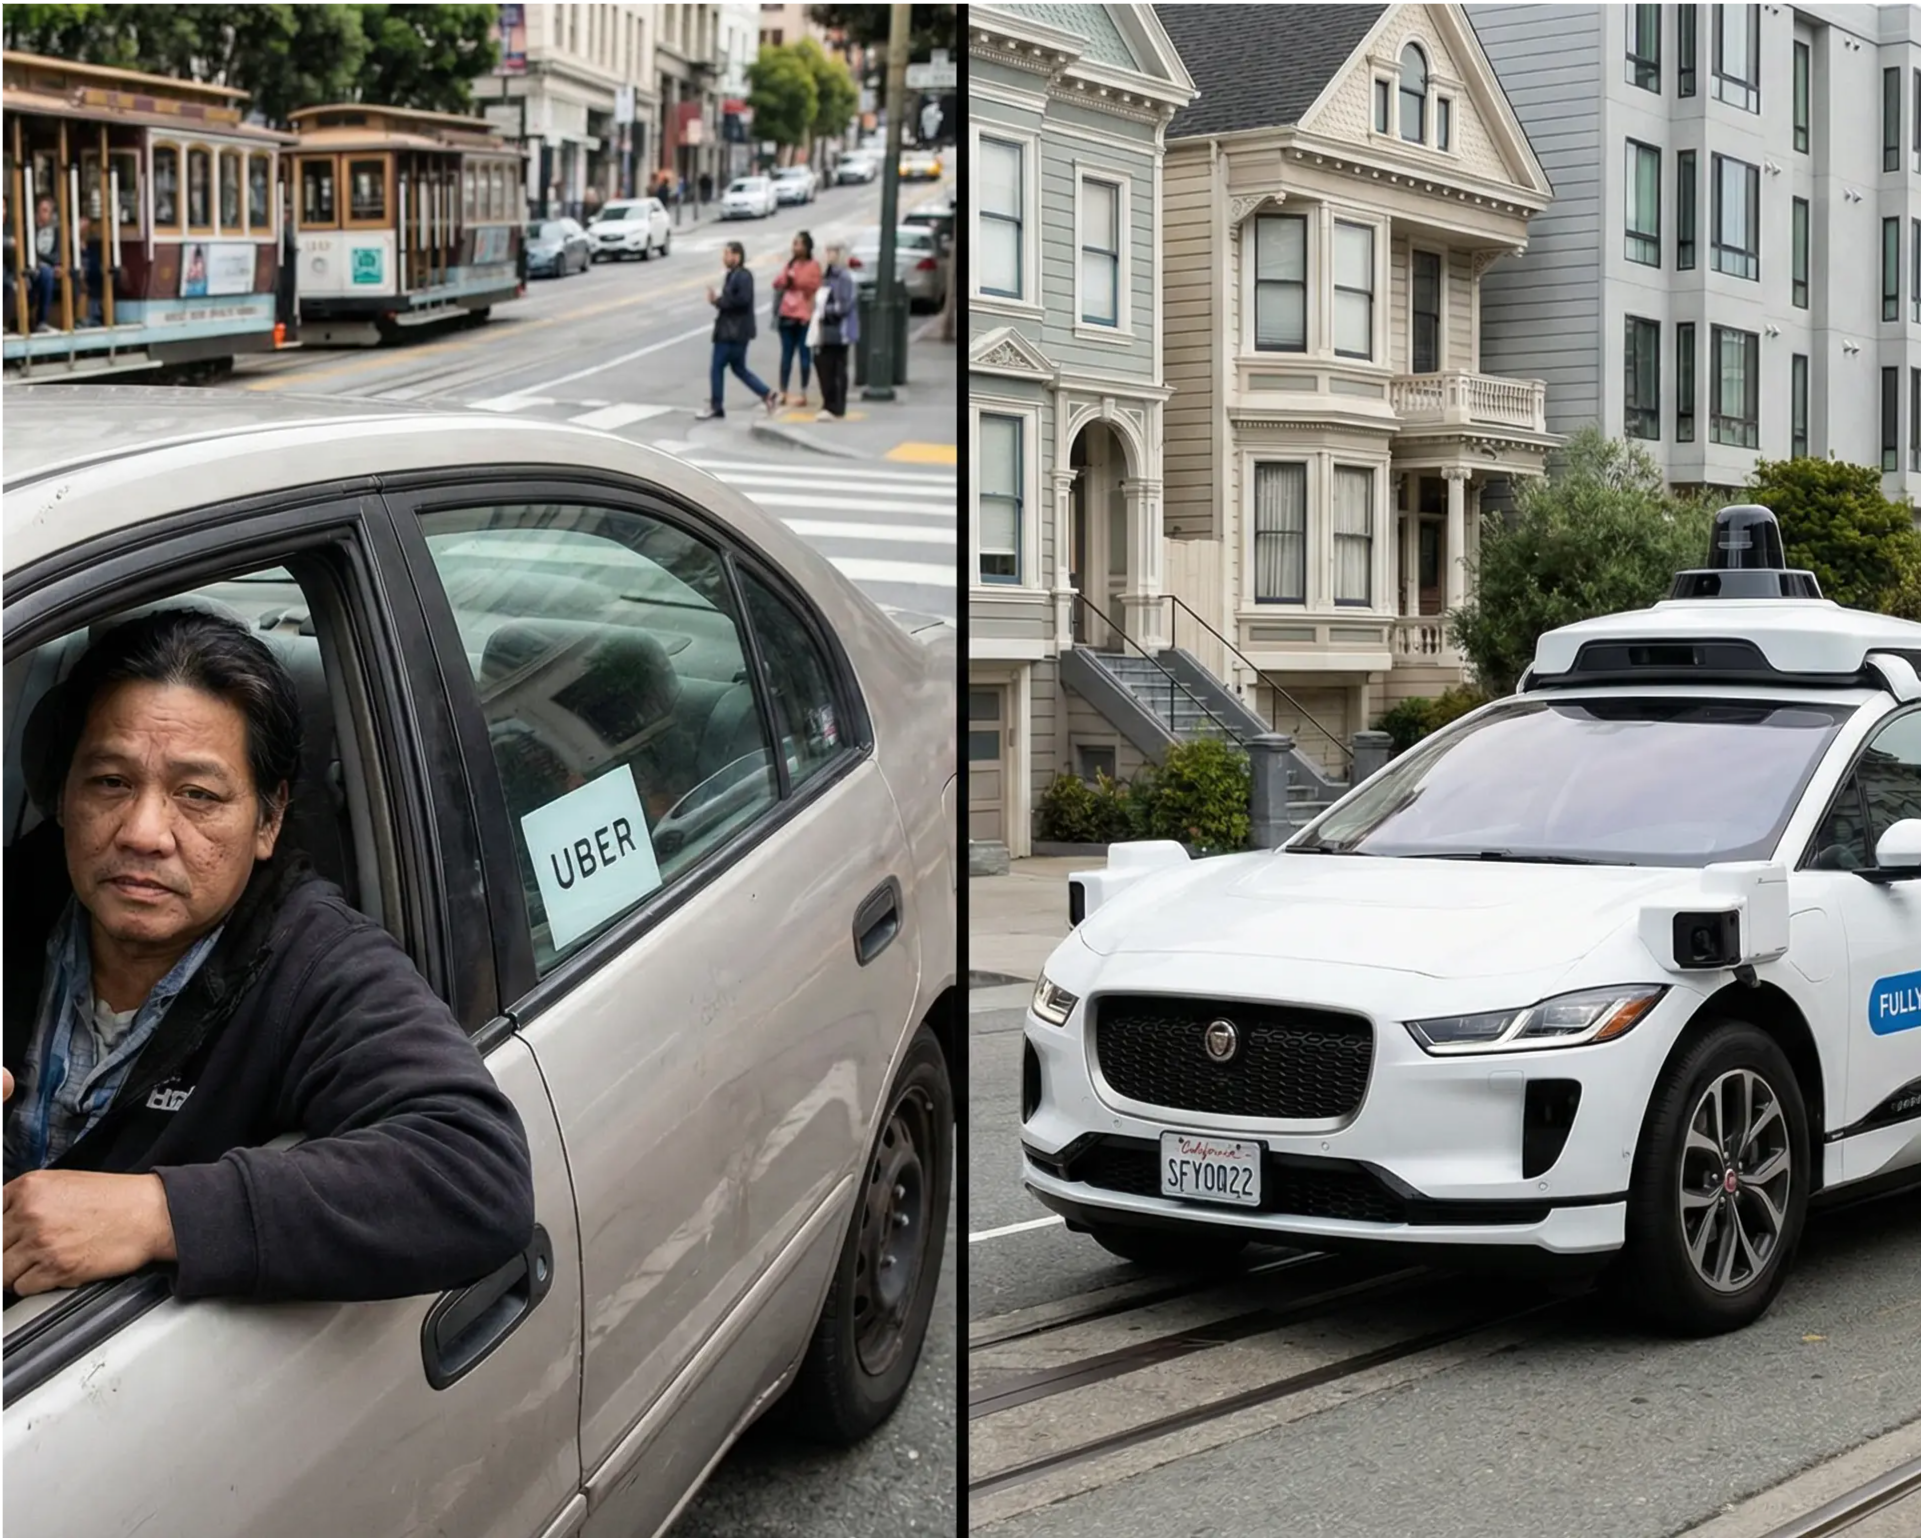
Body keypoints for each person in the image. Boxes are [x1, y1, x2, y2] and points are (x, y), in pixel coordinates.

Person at [0, 608, 535, 1302]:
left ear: (269, 819)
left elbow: (475, 1176)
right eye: (111, 782)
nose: (143, 832)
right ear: (63, 792)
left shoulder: (312, 964)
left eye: (197, 795)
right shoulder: (15, 900)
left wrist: (157, 1214)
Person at [696, 240, 777, 422]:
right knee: (739, 368)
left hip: (733, 332)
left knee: (717, 367)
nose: (724, 258)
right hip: (734, 330)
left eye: (727, 254)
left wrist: (718, 301)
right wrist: (718, 301)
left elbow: (741, 301)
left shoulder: (743, 276)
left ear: (737, 256)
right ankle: (767, 393)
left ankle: (717, 406)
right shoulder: (733, 275)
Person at [770, 230, 822, 407]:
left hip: (804, 317)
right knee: (786, 356)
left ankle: (803, 392)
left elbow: (812, 285)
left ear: (806, 247)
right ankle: (783, 391)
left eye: (798, 244)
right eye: (793, 244)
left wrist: (795, 279)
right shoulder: (790, 264)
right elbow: (777, 283)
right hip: (787, 315)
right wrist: (787, 278)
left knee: (805, 357)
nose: (795, 247)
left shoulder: (813, 265)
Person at [813, 241, 860, 422]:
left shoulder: (844, 277)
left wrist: (825, 309)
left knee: (836, 367)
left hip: (840, 329)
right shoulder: (828, 275)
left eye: (832, 252)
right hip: (826, 327)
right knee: (823, 364)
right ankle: (829, 402)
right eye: (828, 251)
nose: (828, 255)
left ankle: (836, 406)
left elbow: (845, 305)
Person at [29, 195, 61, 332]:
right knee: (46, 274)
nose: (42, 213)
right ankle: (40, 320)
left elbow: (58, 252)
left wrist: (59, 264)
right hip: (32, 267)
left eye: (46, 210)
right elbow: (29, 251)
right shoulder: (30, 229)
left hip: (48, 267)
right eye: (40, 210)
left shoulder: (56, 230)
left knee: (52, 273)